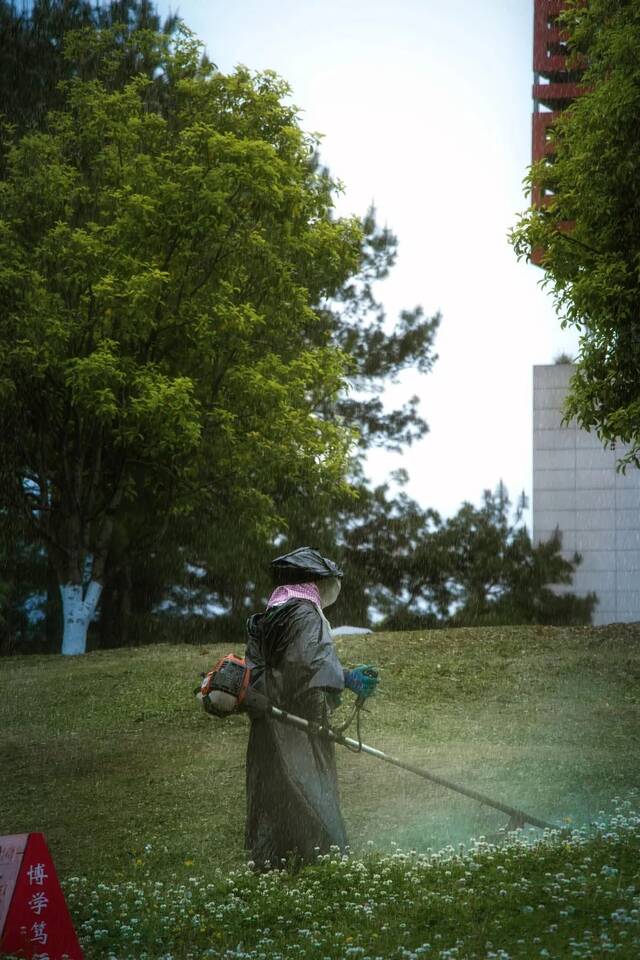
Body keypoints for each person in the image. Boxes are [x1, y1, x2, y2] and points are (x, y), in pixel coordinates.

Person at [244, 546, 378, 869]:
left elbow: (270, 671)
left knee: (275, 792)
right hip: (299, 725)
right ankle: (320, 862)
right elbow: (307, 666)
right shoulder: (304, 613)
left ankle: (274, 863)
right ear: (314, 582)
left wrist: (340, 677)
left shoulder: (267, 617)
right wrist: (341, 682)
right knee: (310, 790)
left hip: (270, 724)